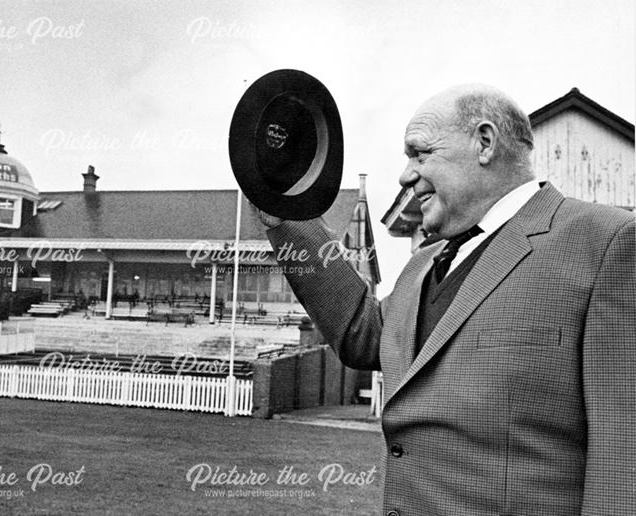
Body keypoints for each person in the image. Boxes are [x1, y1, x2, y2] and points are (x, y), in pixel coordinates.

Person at [256, 84, 635, 515]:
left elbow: (622, 459)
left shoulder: (608, 243)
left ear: (485, 143)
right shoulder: (423, 262)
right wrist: (285, 209)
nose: (404, 175)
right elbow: (362, 334)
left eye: (419, 154)